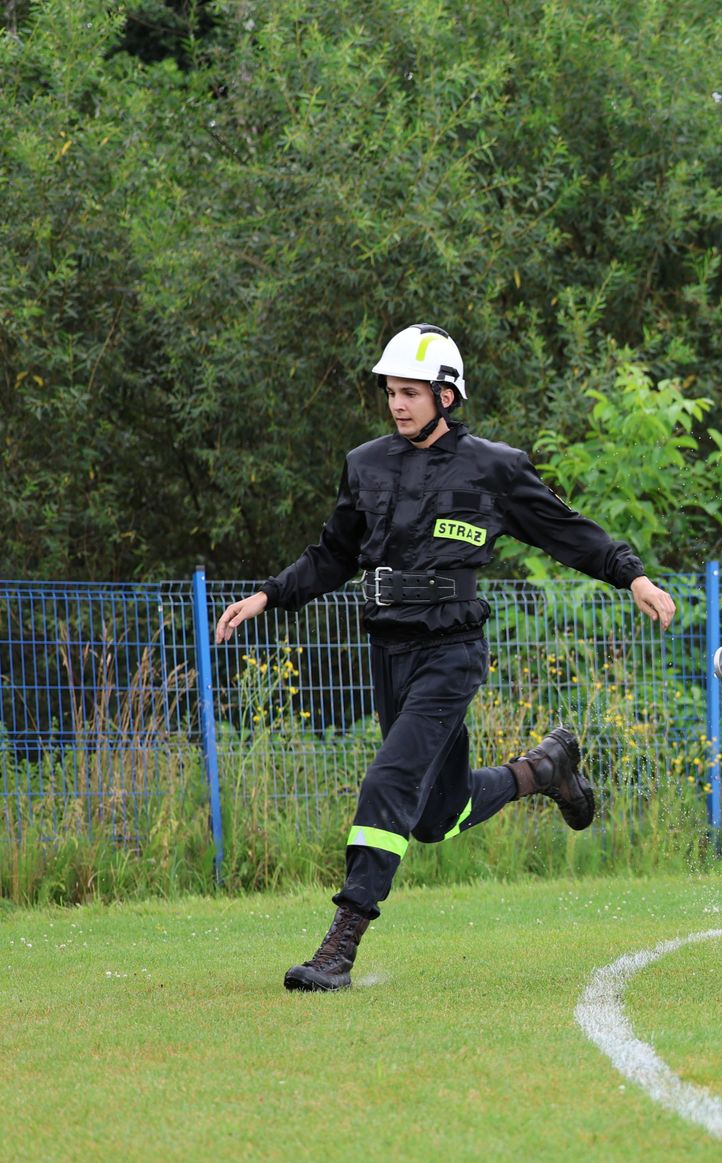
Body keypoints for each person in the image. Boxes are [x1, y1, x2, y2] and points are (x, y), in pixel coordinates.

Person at [213, 324, 677, 991]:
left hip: (452, 652)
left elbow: (568, 533)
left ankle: (339, 944)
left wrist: (632, 575)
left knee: (388, 782)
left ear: (447, 396)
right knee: (435, 815)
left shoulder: (496, 468)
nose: (398, 404)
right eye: (391, 392)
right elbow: (333, 554)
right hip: (388, 652)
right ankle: (544, 769)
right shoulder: (365, 463)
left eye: (411, 392)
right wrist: (268, 594)